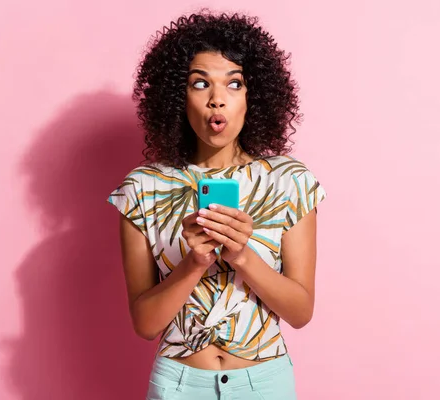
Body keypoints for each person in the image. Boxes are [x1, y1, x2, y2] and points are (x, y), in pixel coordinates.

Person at [107, 10, 326, 400]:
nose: (217, 100)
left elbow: (300, 312)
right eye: (200, 83)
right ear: (178, 95)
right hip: (178, 384)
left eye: (235, 84)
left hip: (264, 384)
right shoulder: (143, 188)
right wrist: (194, 262)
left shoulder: (289, 181)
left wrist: (242, 256)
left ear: (253, 96)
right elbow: (145, 324)